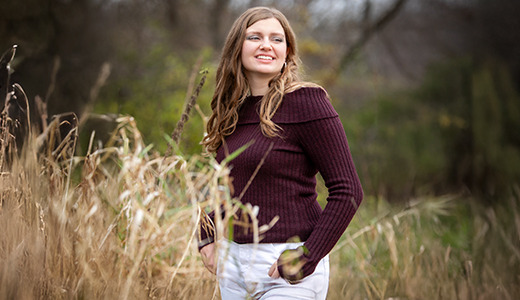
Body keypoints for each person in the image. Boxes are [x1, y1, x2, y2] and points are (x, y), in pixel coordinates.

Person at [198, 6, 363, 300]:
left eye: (277, 39)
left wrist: (307, 256)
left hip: (286, 268)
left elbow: (348, 191)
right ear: (237, 48)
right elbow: (241, 191)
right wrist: (206, 229)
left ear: (287, 52)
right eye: (255, 37)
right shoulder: (230, 112)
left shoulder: (308, 103)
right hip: (233, 265)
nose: (266, 45)